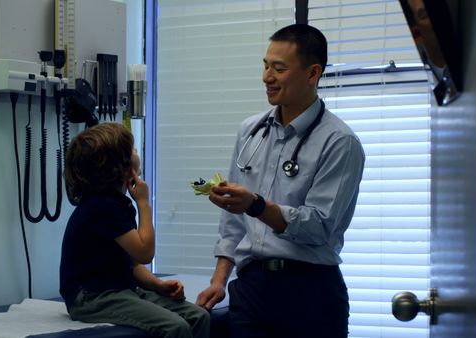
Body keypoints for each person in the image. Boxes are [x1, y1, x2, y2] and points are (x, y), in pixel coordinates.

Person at [195, 24, 365, 338]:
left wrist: (257, 205)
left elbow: (319, 226)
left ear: (313, 73)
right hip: (252, 290)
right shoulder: (251, 131)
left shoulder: (340, 142)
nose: (266, 77)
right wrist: (219, 281)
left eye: (279, 68)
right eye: (265, 65)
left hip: (310, 293)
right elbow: (233, 221)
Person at [61, 123, 210, 338]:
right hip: (91, 298)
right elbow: (145, 253)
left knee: (199, 317)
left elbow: (132, 264)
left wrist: (158, 285)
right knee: (176, 327)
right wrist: (144, 203)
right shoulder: (102, 207)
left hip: (119, 289)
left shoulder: (116, 203)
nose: (137, 152)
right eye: (132, 150)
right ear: (118, 167)